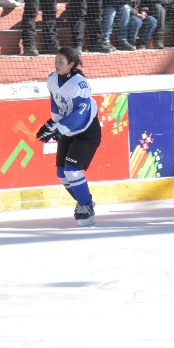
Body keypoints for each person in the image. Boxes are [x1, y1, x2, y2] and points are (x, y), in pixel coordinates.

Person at [35, 47, 101, 227]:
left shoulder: (80, 84)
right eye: (56, 61)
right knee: (61, 173)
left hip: (85, 132)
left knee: (72, 170)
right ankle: (85, 201)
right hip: (67, 130)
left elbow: (81, 113)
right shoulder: (52, 79)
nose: (57, 64)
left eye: (61, 62)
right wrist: (52, 123)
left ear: (71, 65)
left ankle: (86, 206)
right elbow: (56, 104)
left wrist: (59, 128)